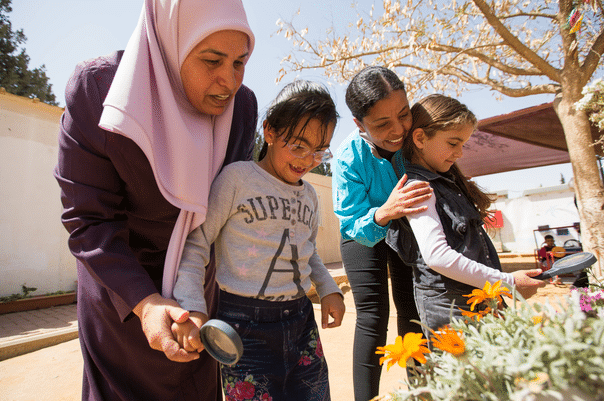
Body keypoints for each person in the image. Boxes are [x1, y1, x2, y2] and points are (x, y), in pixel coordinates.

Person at [53, 1, 257, 399]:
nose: (228, 81)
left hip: (196, 294)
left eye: (240, 61)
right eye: (212, 60)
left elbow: (224, 214)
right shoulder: (99, 92)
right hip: (120, 295)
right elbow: (88, 221)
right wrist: (145, 304)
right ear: (170, 42)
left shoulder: (242, 109)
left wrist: (193, 298)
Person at [171, 80, 346, 400]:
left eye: (320, 151)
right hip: (243, 329)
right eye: (298, 146)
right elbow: (196, 245)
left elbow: (309, 252)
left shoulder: (309, 195)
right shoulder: (237, 179)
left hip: (301, 322)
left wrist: (328, 288)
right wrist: (192, 307)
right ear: (269, 131)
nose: (307, 159)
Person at [386, 94, 546, 336]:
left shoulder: (446, 182)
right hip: (452, 312)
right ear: (419, 138)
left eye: (463, 144)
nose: (460, 153)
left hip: (477, 303)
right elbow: (437, 257)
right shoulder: (417, 188)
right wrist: (508, 283)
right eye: (453, 143)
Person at [332, 66, 433, 401]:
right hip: (364, 228)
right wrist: (384, 212)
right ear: (360, 125)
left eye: (403, 115)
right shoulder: (349, 157)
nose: (398, 130)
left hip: (407, 225)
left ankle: (423, 393)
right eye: (381, 125)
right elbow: (351, 222)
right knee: (373, 317)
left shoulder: (418, 134)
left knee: (413, 310)